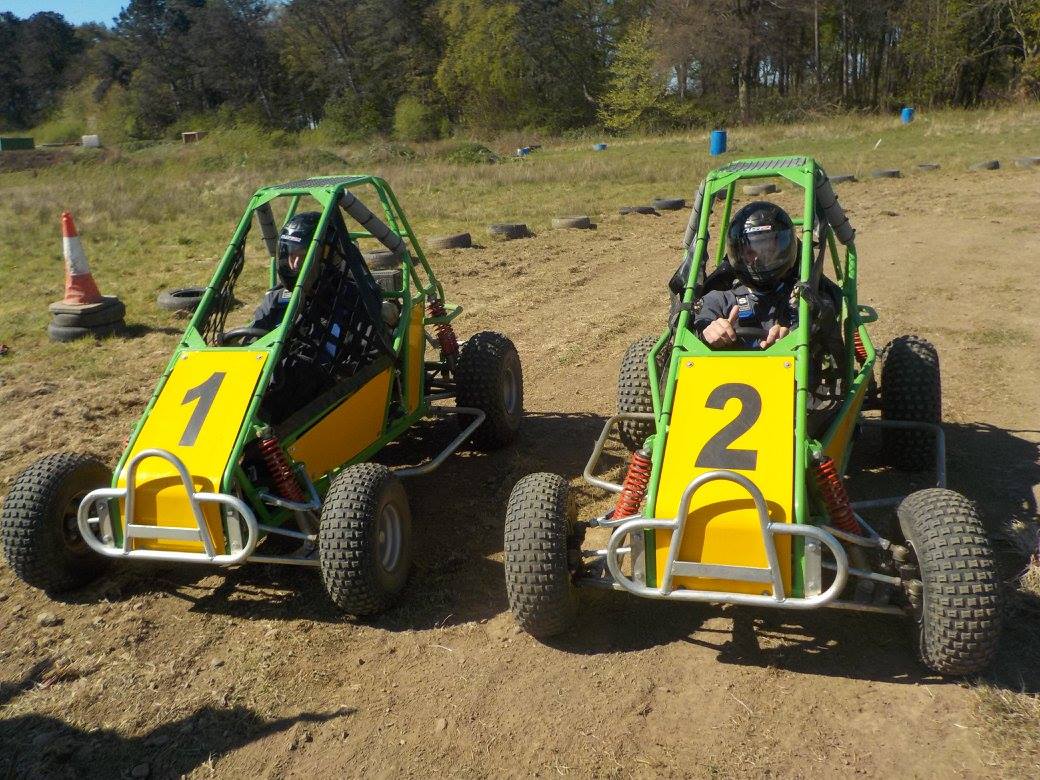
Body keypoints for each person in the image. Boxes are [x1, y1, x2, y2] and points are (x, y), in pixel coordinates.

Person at [692, 201, 831, 350]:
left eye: (765, 249)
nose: (757, 259)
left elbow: (822, 315)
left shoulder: (802, 300)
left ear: (783, 249)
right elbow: (700, 320)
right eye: (750, 252)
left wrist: (791, 336)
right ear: (738, 254)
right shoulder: (719, 300)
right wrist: (708, 331)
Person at [249, 211, 322, 332]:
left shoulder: (347, 300)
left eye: (303, 257)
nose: (295, 264)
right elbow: (251, 340)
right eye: (292, 256)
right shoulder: (275, 299)